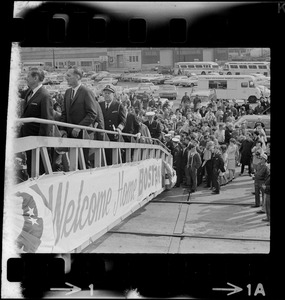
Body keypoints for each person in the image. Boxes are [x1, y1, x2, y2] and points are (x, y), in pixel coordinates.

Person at [60, 67, 104, 168]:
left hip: (84, 135)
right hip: (71, 135)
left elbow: (92, 114)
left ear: (78, 77)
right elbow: (64, 113)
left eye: (69, 76)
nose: (66, 78)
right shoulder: (67, 92)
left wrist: (79, 127)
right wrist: (62, 129)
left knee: (84, 164)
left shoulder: (86, 92)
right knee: (73, 164)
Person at [19, 67, 54, 177]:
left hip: (37, 140)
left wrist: (41, 141)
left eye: (28, 76)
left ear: (35, 78)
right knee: (30, 167)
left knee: (39, 170)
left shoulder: (44, 95)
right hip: (28, 138)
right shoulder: (30, 92)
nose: (26, 78)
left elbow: (47, 120)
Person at [99, 84, 127, 165]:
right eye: (105, 93)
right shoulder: (100, 105)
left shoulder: (118, 105)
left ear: (113, 95)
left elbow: (123, 121)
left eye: (109, 93)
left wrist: (119, 129)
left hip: (113, 135)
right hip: (102, 134)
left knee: (113, 158)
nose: (107, 95)